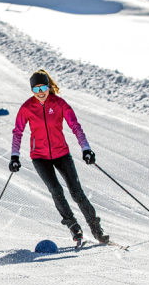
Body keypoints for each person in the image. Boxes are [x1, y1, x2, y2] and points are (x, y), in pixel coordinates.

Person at [10, 69, 108, 246]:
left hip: (61, 154)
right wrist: (14, 156)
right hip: (40, 157)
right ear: (32, 90)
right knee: (56, 191)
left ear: (49, 87)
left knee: (77, 193)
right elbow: (18, 132)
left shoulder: (59, 104)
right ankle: (74, 227)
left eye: (43, 88)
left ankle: (96, 229)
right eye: (36, 89)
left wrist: (86, 149)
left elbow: (75, 126)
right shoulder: (27, 108)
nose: (40, 93)